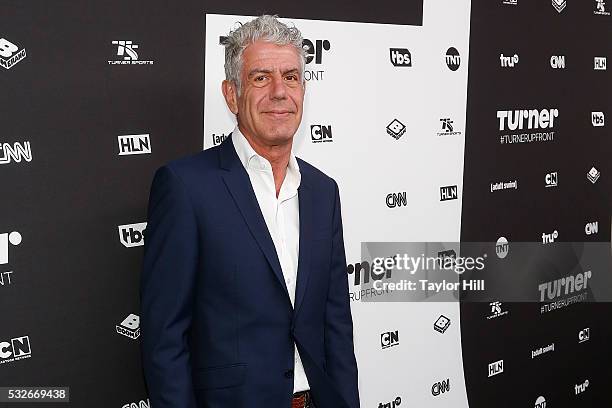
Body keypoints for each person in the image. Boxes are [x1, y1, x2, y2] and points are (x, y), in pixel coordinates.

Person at [140, 15, 360, 408]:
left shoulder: (323, 192)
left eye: (291, 77)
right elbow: (164, 338)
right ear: (231, 95)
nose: (279, 92)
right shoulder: (186, 187)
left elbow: (336, 325)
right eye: (261, 78)